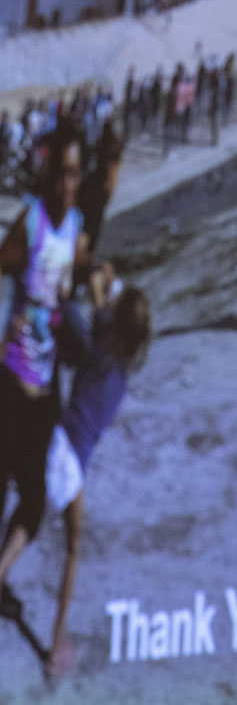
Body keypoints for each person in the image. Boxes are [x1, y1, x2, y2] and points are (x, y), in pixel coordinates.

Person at [42, 267, 151, 677]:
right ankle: (56, 643)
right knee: (72, 550)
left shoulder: (100, 338)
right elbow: (109, 308)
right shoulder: (121, 371)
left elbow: (99, 298)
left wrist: (103, 278)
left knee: (27, 522)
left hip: (55, 439)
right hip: (73, 460)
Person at [0, 123, 89, 604]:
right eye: (60, 174)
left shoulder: (74, 226)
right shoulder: (30, 221)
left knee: (33, 501)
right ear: (48, 174)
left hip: (43, 386)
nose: (66, 185)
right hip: (10, 380)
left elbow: (65, 289)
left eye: (74, 175)